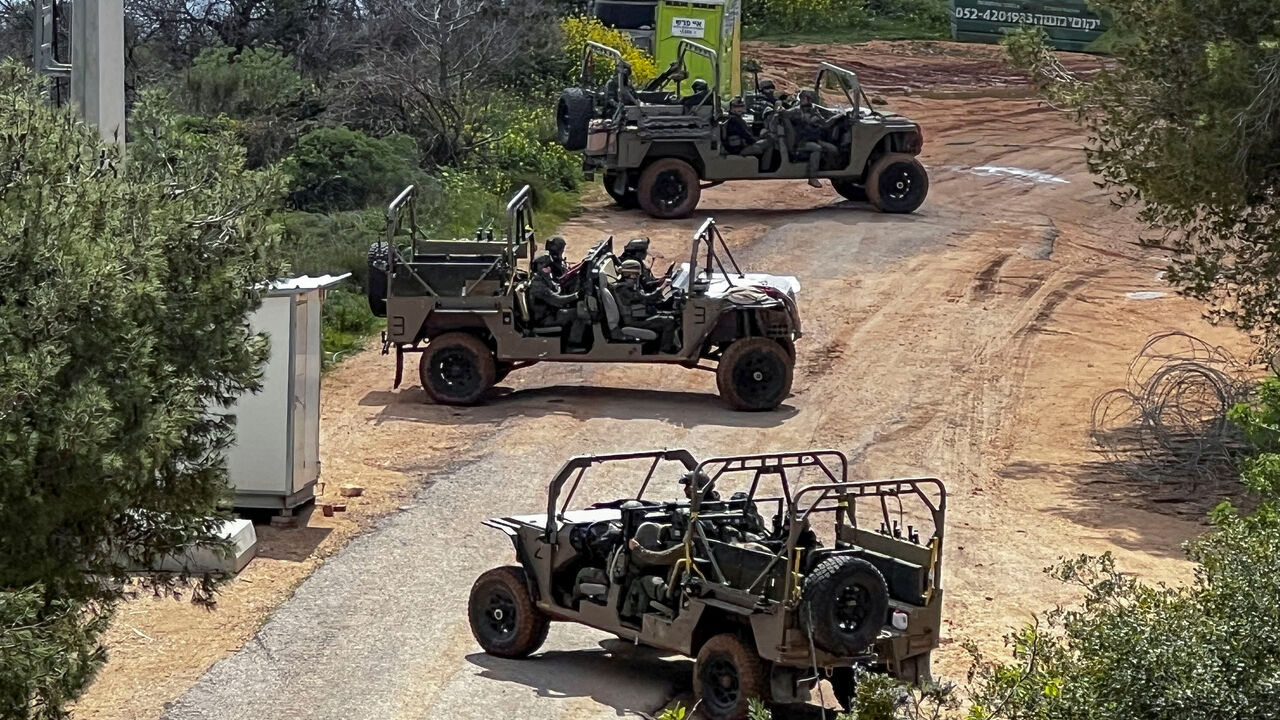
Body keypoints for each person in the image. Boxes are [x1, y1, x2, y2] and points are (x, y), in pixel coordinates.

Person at [621, 520, 684, 619]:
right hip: (683, 589)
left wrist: (636, 548)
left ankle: (634, 618)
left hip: (674, 591)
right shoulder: (707, 547)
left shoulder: (685, 549)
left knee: (640, 581)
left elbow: (657, 558)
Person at [615, 260, 678, 351]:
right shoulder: (623, 290)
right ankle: (665, 350)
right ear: (630, 274)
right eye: (635, 275)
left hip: (639, 317)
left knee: (669, 315)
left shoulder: (627, 287)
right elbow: (646, 298)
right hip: (633, 321)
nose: (637, 277)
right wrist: (663, 287)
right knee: (669, 321)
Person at [786, 89, 840, 188]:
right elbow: (783, 114)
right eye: (804, 98)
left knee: (833, 149)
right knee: (817, 148)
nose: (806, 100)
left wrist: (837, 116)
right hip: (801, 142)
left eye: (808, 98)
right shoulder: (796, 111)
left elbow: (825, 124)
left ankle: (828, 171)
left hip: (813, 139)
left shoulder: (814, 110)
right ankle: (812, 177)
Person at [529, 252, 585, 345]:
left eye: (548, 266)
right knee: (580, 314)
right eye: (544, 265)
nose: (548, 268)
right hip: (545, 319)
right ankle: (574, 342)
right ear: (537, 267)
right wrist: (576, 295)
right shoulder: (538, 285)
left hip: (552, 312)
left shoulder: (544, 278)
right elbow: (557, 300)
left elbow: (557, 288)